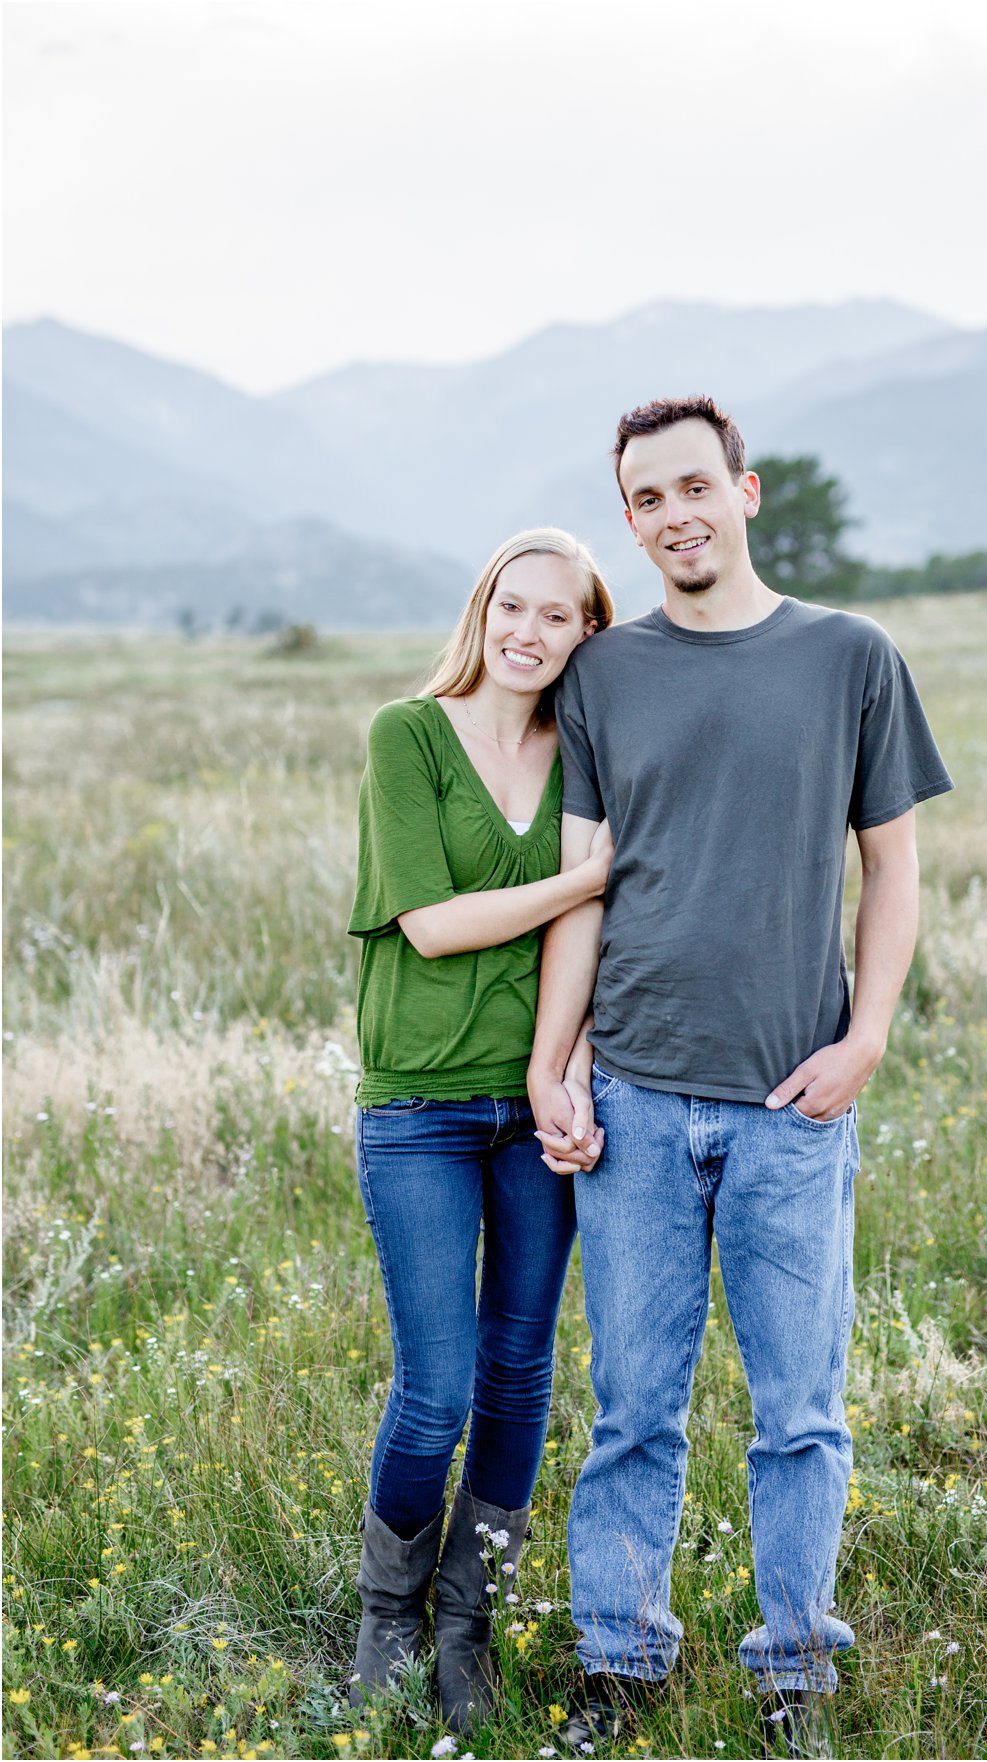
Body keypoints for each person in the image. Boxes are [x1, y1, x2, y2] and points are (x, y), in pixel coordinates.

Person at [526, 398, 953, 1754]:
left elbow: (894, 865)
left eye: (694, 487)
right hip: (639, 1102)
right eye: (645, 499)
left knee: (799, 1412)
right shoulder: (603, 676)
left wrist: (869, 1033)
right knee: (632, 1407)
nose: (673, 516)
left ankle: (796, 1674)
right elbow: (583, 889)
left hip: (791, 1103)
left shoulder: (850, 657)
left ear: (747, 490)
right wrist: (564, 1060)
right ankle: (619, 1663)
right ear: (632, 518)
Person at [347, 528, 614, 1732]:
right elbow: (434, 922)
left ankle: (468, 1624)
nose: (529, 631)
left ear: (585, 637)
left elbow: (592, 948)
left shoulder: (585, 756)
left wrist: (575, 1067)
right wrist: (588, 877)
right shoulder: (406, 733)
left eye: (558, 617)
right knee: (438, 1384)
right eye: (514, 605)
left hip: (537, 1106)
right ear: (482, 608)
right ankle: (386, 1614)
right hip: (417, 1105)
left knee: (520, 1375)